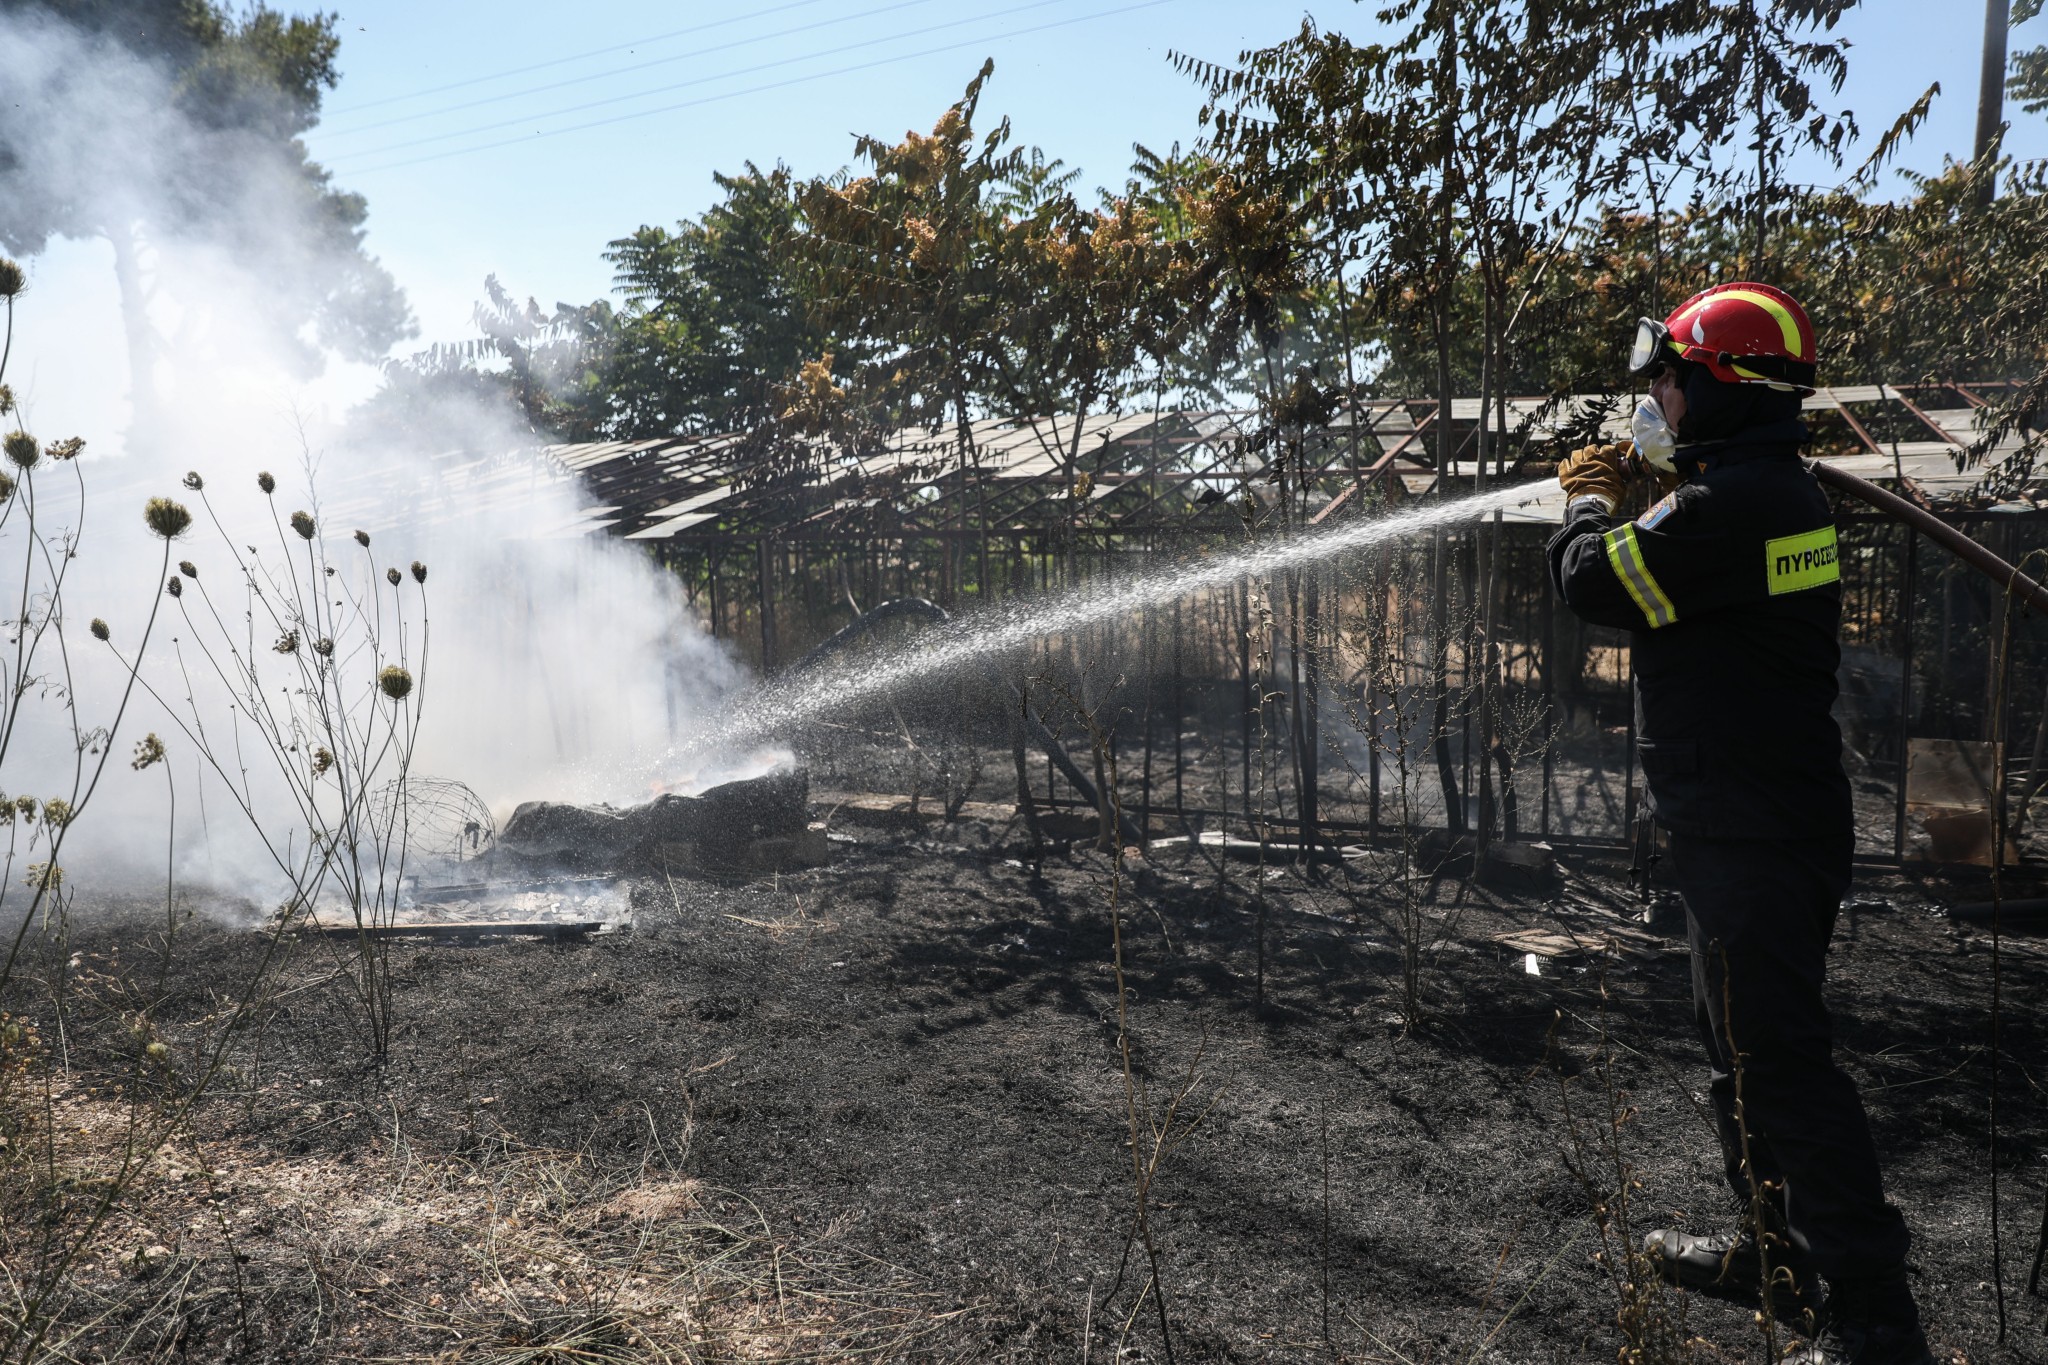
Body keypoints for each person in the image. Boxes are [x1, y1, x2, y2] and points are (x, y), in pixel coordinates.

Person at [1546, 283, 1932, 1365]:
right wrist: (1658, 484)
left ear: (1720, 384)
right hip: (1752, 823)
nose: (1652, 400)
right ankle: (1769, 1255)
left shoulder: (1724, 510)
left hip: (1752, 834)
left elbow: (1594, 583)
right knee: (1740, 1059)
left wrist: (1587, 502)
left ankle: (1871, 1319)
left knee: (1781, 1068)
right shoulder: (1766, 494)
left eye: (1665, 379)